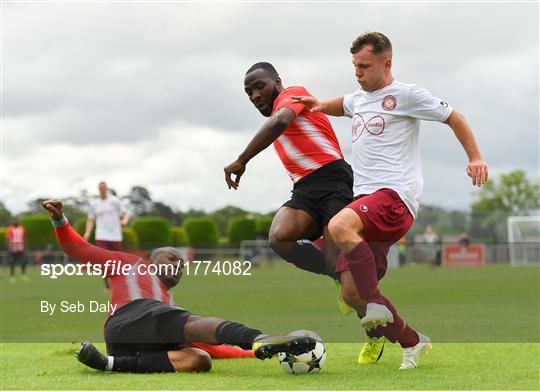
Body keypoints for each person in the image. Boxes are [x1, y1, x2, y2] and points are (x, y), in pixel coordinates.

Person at [292, 32, 488, 369]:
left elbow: (455, 117)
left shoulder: (406, 95)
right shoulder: (359, 99)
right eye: (354, 66)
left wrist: (475, 157)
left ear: (387, 63)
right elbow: (344, 104)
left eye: (365, 66)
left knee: (339, 224)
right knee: (353, 294)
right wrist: (320, 105)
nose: (358, 72)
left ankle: (375, 306)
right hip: (366, 201)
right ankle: (412, 342)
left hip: (395, 196)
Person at [42, 199, 317, 373]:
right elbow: (80, 250)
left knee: (199, 359)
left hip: (128, 347)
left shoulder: (166, 304)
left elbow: (209, 345)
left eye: (183, 264)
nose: (179, 265)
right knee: (193, 322)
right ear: (152, 258)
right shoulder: (127, 263)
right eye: (172, 258)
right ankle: (259, 338)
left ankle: (109, 364)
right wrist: (60, 221)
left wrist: (242, 352)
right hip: (127, 317)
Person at [223, 62, 355, 306]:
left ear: (277, 81)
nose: (255, 96)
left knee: (343, 273)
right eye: (249, 92)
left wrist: (242, 160)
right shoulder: (275, 117)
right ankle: (340, 274)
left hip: (334, 180)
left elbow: (281, 121)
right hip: (305, 188)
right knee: (279, 238)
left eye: (259, 86)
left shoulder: (293, 94)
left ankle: (375, 323)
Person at [84, 181, 129, 250]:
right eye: (101, 188)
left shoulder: (115, 200)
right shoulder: (94, 203)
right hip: (101, 235)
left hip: (115, 236)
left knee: (117, 259)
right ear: (99, 189)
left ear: (107, 189)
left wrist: (124, 221)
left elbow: (125, 213)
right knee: (103, 258)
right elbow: (90, 220)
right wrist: (87, 233)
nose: (103, 190)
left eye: (104, 188)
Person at [6, 218, 27, 283]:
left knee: (23, 261)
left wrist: (25, 246)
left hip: (21, 247)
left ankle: (23, 275)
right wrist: (11, 247)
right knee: (12, 262)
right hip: (13, 248)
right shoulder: (10, 228)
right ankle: (12, 276)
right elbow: (8, 238)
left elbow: (24, 238)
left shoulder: (22, 228)